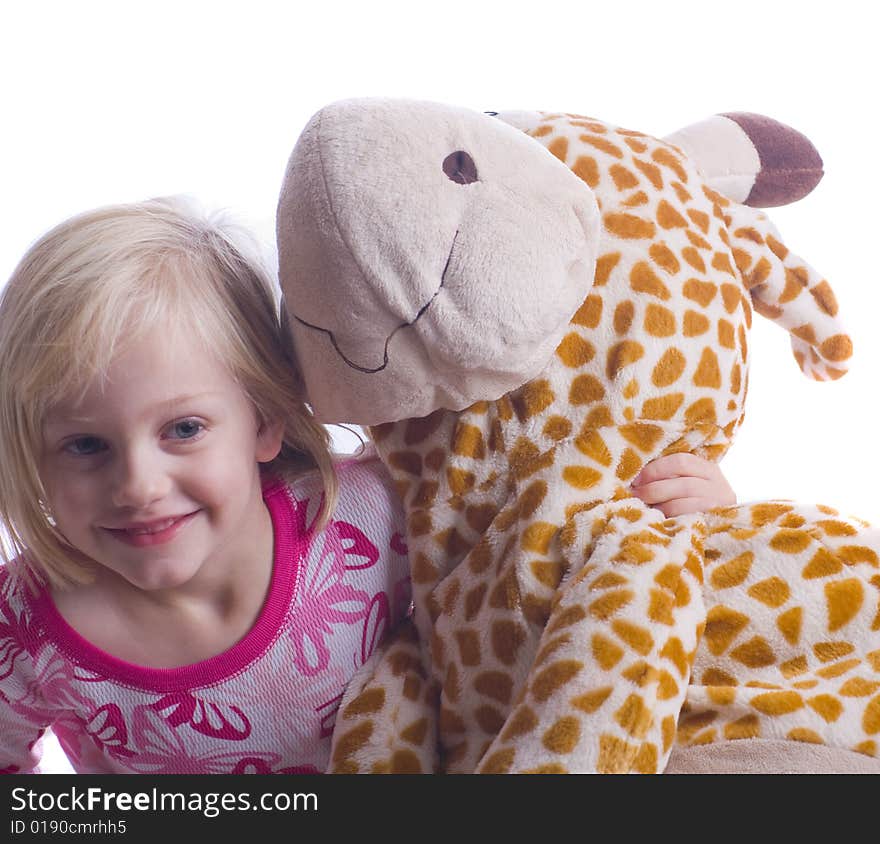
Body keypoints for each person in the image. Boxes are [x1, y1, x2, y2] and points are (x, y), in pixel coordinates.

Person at [0, 197, 735, 775]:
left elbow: (547, 550)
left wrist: (698, 517)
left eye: (183, 430)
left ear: (265, 419)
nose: (138, 483)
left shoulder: (371, 515)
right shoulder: (22, 629)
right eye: (85, 444)